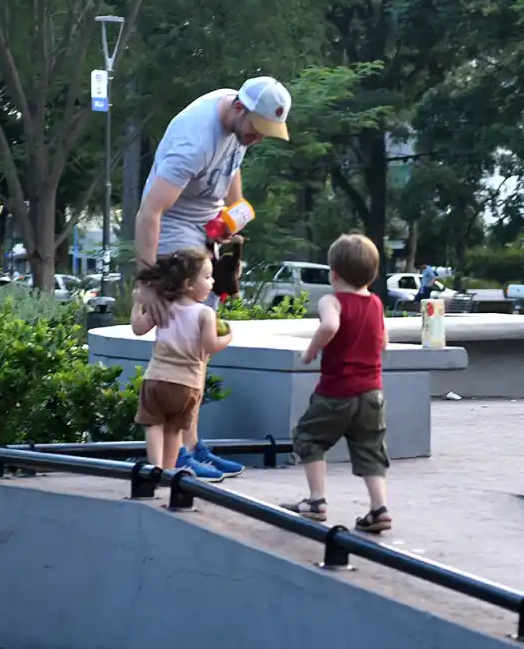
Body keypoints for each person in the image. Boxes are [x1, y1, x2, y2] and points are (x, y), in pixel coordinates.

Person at [131, 75, 292, 479]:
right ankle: (176, 455)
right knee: (183, 346)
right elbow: (149, 212)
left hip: (208, 230)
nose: (258, 139)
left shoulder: (239, 125)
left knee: (200, 348)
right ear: (240, 109)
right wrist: (148, 282)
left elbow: (233, 166)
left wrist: (234, 213)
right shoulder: (194, 140)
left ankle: (192, 445)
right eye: (257, 130)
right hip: (175, 231)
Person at [282, 234, 392, 533]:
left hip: (336, 391)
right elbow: (383, 341)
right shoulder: (376, 303)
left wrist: (311, 351)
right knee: (371, 448)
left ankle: (317, 501)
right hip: (372, 393)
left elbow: (330, 325)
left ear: (334, 274)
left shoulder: (332, 300)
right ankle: (378, 508)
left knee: (309, 437)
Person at [130, 249, 233, 478]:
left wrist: (138, 304)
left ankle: (154, 468)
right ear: (188, 284)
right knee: (174, 429)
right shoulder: (205, 314)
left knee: (154, 425)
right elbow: (210, 346)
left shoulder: (164, 305)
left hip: (156, 378)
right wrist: (228, 337)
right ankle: (169, 471)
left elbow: (138, 328)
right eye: (207, 277)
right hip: (187, 385)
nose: (212, 281)